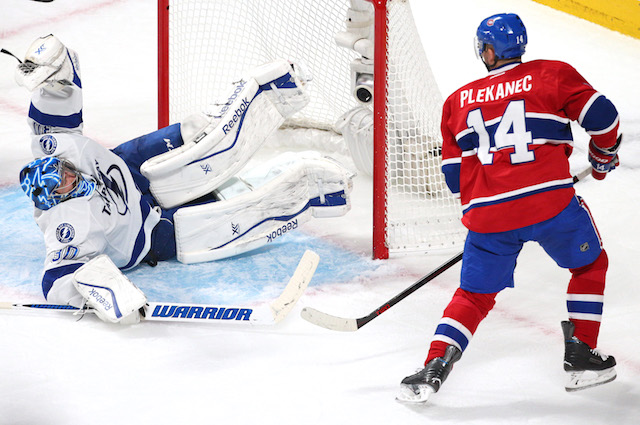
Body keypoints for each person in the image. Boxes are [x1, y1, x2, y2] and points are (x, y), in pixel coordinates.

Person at [16, 34, 354, 324]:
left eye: (66, 170)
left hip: (126, 168)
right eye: (65, 183)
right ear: (57, 199)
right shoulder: (68, 224)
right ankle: (318, 192)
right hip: (146, 232)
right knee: (227, 205)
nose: (70, 174)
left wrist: (52, 70)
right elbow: (59, 278)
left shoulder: (57, 148)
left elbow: (57, 99)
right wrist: (109, 297)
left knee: (198, 131)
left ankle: (278, 90)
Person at [397, 13, 621, 402]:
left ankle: (433, 367)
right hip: (551, 204)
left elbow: (454, 180)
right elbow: (605, 119)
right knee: (589, 266)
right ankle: (582, 356)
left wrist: (488, 210)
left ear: (486, 51)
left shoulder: (455, 103)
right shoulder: (553, 74)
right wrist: (602, 157)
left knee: (473, 295)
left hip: (489, 218)